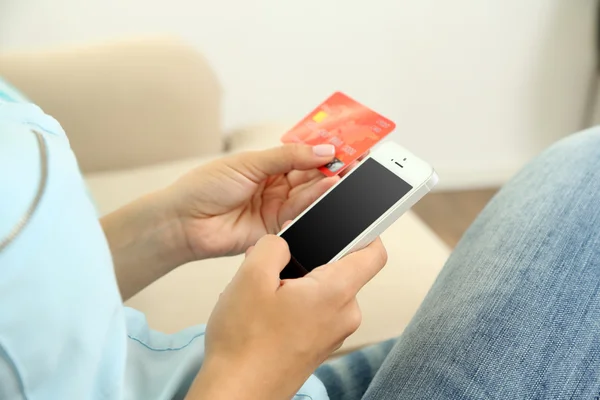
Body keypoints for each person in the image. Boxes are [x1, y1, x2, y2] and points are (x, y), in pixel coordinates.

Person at [2, 75, 600, 400]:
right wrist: (252, 367)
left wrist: (167, 229)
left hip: (212, 375)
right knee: (585, 170)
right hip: (242, 381)